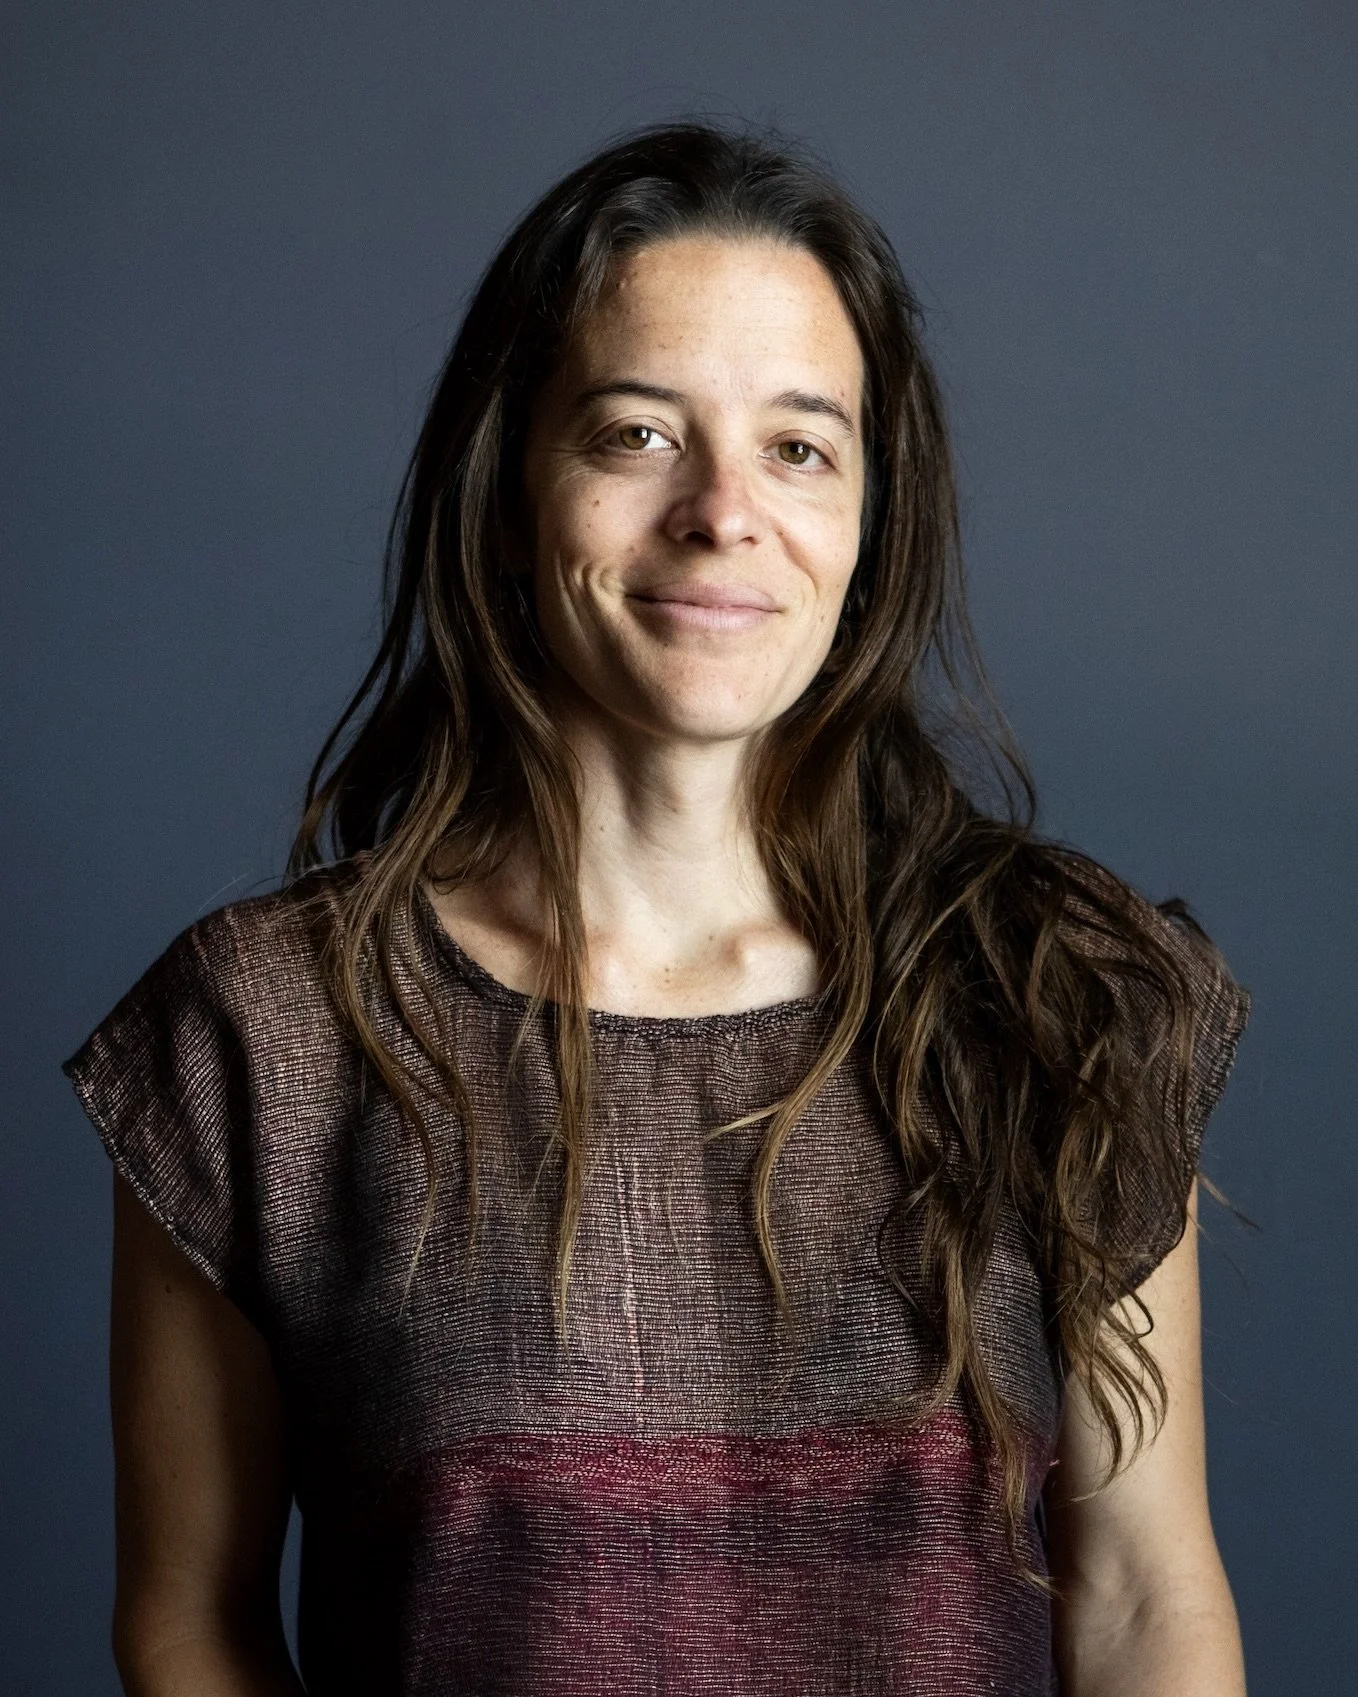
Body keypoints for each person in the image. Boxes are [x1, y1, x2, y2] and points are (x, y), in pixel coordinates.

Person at [65, 124, 1251, 1696]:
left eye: (799, 448)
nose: (720, 512)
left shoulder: (1059, 991)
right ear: (510, 491)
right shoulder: (266, 1035)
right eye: (635, 435)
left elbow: (1146, 1605)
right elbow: (189, 1623)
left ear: (869, 526)